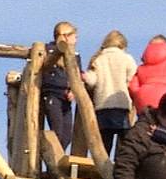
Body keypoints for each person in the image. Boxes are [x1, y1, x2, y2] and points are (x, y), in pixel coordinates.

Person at [82, 29, 137, 156]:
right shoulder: (126, 59)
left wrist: (84, 77)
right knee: (124, 143)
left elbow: (92, 80)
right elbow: (133, 78)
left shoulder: (99, 59)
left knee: (105, 143)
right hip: (121, 105)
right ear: (122, 45)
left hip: (102, 107)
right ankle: (120, 167)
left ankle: (102, 169)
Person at [41, 21, 80, 149]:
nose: (76, 38)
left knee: (67, 136)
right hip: (53, 95)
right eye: (74, 35)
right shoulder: (49, 50)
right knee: (57, 132)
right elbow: (48, 76)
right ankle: (52, 161)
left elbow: (77, 75)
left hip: (66, 99)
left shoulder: (75, 55)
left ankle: (56, 160)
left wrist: (73, 91)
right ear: (66, 36)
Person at [128, 34, 166, 113]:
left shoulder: (141, 67)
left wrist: (139, 93)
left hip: (143, 98)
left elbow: (132, 87)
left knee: (145, 121)